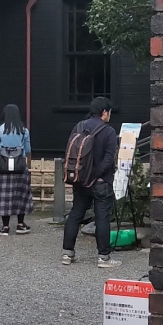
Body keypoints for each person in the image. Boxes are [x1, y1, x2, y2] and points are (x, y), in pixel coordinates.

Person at [61, 96, 118, 267]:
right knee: (102, 217)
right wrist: (95, 175)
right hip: (100, 181)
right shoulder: (108, 131)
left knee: (75, 214)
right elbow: (109, 158)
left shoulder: (79, 126)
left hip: (80, 180)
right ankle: (103, 257)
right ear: (104, 112)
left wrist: (84, 175)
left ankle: (67, 254)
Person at [0, 104, 33, 236]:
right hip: (20, 167)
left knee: (4, 197)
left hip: (2, 168)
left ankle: (5, 226)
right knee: (21, 194)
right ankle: (20, 224)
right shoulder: (24, 131)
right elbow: (28, 149)